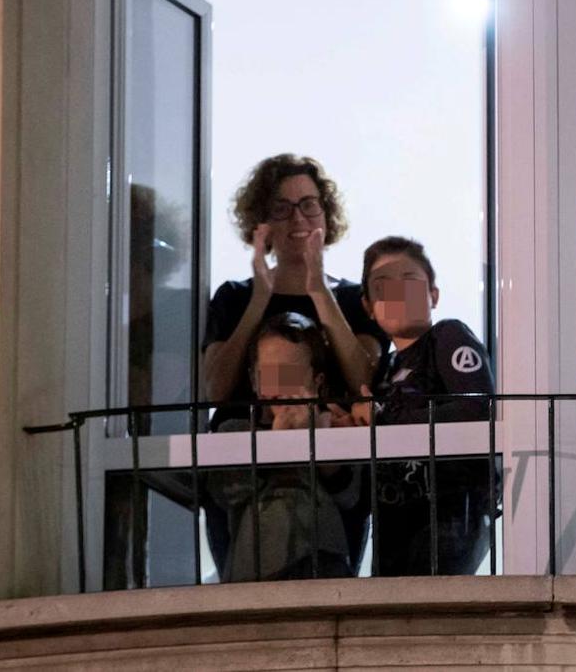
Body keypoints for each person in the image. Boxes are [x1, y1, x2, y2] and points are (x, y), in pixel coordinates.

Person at [201, 154, 386, 575]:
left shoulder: (353, 300)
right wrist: (260, 299)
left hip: (332, 470)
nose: (296, 218)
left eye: (308, 204)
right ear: (261, 222)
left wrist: (319, 291)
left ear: (326, 213)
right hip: (244, 476)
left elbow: (364, 381)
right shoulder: (233, 296)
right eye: (280, 208)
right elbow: (215, 389)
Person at [359, 236, 495, 576]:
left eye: (409, 282)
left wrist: (382, 418)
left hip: (450, 516)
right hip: (392, 521)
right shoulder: (382, 370)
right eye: (383, 286)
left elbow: (476, 410)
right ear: (368, 306)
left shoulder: (448, 336)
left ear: (433, 294)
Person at [207, 312, 363, 581]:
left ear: (317, 383)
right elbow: (226, 491)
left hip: (324, 569)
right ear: (255, 382)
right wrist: (278, 444)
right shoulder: (234, 431)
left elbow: (349, 495)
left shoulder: (334, 428)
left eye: (289, 375)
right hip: (257, 571)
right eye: (270, 375)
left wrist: (321, 442)